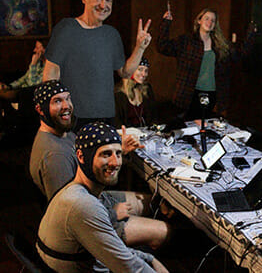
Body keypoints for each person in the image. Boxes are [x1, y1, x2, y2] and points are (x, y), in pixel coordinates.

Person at [30, 81, 169, 254]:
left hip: (97, 200)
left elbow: (88, 166)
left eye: (67, 99)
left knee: (158, 203)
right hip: (90, 221)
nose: (66, 106)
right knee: (164, 231)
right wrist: (112, 214)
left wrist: (119, 152)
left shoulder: (63, 133)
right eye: (57, 101)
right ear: (40, 109)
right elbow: (69, 211)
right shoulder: (55, 156)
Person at [37, 122, 169, 273]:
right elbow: (126, 266)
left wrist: (149, 259)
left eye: (118, 154)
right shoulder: (83, 205)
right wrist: (150, 261)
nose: (115, 163)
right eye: (106, 154)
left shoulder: (76, 191)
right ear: (81, 156)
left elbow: (115, 251)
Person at [42, 0, 152, 131]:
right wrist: (51, 115)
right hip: (73, 117)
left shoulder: (111, 34)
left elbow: (125, 73)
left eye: (108, 0)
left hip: (106, 116)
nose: (103, 5)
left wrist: (140, 48)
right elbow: (51, 73)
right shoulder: (66, 28)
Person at [157, 6, 256, 120]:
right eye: (206, 18)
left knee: (206, 128)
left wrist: (251, 34)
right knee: (189, 128)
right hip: (189, 94)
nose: (209, 22)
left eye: (213, 20)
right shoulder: (186, 41)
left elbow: (240, 55)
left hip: (211, 95)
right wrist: (166, 23)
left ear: (215, 25)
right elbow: (162, 47)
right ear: (199, 21)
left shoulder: (220, 45)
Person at [115, 57, 157, 128]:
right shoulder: (118, 94)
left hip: (147, 135)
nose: (144, 74)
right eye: (140, 69)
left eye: (146, 71)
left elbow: (154, 117)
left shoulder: (147, 89)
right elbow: (117, 124)